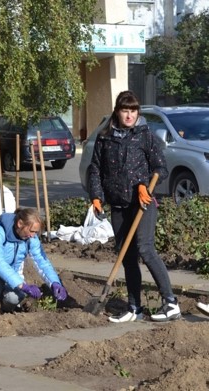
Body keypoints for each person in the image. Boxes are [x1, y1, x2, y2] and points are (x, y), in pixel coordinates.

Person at [88, 90, 180, 323]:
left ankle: (170, 302)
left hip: (142, 203)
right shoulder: (105, 137)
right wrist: (96, 196)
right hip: (118, 204)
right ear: (117, 112)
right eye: (125, 110)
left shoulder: (145, 135)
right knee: (127, 256)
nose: (129, 115)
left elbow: (161, 167)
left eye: (133, 111)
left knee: (145, 248)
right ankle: (134, 307)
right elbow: (96, 169)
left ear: (137, 112)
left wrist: (144, 186)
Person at [0, 207, 68, 322]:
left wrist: (55, 283)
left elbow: (42, 261)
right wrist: (22, 285)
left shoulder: (30, 238)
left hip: (10, 280)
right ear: (20, 223)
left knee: (12, 299)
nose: (33, 235)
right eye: (31, 231)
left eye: (36, 232)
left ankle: (5, 312)